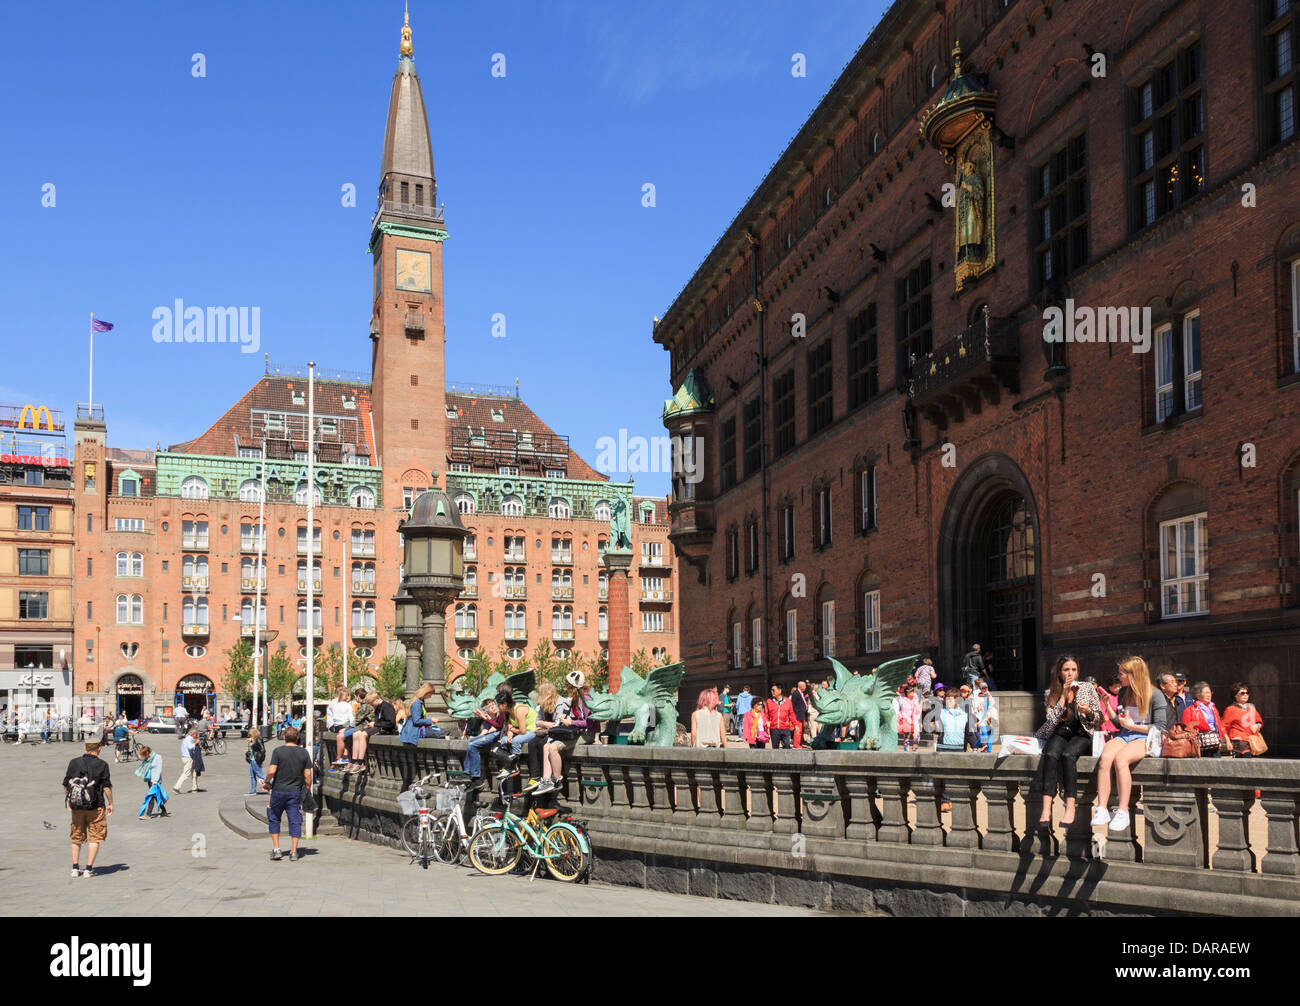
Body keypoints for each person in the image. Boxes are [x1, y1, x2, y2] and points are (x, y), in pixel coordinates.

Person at [1092, 658, 1172, 833]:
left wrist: (1131, 726)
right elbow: (1119, 723)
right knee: (1105, 757)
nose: (1119, 676)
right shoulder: (1124, 692)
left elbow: (1160, 727)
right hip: (1125, 734)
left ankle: (1123, 810)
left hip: (1146, 737)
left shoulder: (1155, 694)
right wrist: (1107, 706)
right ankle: (1102, 808)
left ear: (1133, 674)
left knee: (1121, 759)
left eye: (1122, 673)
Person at [1034, 656, 1101, 829]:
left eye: (1073, 669)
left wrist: (1089, 712)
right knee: (1050, 754)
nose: (1070, 673)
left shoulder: (1087, 688)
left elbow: (1099, 719)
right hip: (1061, 732)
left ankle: (1070, 806)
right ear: (1059, 672)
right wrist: (1063, 696)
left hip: (1081, 733)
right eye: (1066, 669)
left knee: (1068, 755)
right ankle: (1046, 808)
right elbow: (1051, 721)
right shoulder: (1051, 692)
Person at [63, 740, 113, 878]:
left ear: (85, 748)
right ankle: (88, 869)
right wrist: (111, 803)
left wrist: (68, 800)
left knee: (76, 836)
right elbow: (107, 787)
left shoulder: (74, 762)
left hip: (77, 806)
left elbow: (66, 784)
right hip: (95, 806)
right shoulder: (102, 764)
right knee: (95, 837)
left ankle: (75, 868)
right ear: (99, 749)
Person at [265, 726, 313, 862]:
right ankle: (293, 851)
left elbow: (272, 771)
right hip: (295, 792)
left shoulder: (278, 751)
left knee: (274, 817)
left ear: (284, 737)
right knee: (294, 820)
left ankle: (276, 849)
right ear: (297, 738)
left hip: (278, 790)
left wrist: (266, 782)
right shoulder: (303, 753)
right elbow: (308, 774)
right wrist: (307, 788)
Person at [464, 686, 510, 784]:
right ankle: (467, 772)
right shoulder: (495, 714)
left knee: (473, 744)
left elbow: (498, 727)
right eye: (489, 706)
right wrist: (476, 737)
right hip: (496, 734)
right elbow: (486, 730)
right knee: (471, 742)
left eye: (493, 704)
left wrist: (485, 718)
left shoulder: (501, 712)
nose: (493, 706)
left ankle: (475, 774)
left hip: (500, 735)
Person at [1180, 681, 1227, 757]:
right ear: (1198, 695)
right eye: (1206, 693)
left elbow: (1219, 724)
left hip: (1214, 742)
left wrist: (1226, 739)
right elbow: (1186, 728)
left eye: (1209, 692)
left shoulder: (1213, 708)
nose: (1209, 695)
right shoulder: (1190, 710)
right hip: (1200, 744)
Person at [1222, 683, 1264, 758]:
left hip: (1252, 740)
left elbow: (1259, 720)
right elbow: (1223, 726)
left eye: (1247, 693)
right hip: (1239, 741)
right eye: (1242, 693)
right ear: (1235, 695)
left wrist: (1257, 725)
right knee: (1246, 758)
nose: (1245, 695)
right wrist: (1228, 741)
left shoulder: (1251, 707)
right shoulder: (1230, 710)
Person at [343, 690, 377, 774]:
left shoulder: (365, 706)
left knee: (342, 735)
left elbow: (357, 719)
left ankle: (349, 758)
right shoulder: (362, 705)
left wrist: (346, 727)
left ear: (358, 696)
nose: (355, 698)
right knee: (352, 735)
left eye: (355, 696)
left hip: (363, 727)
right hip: (358, 728)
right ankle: (354, 760)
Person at [135, 745, 168, 819]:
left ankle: (148, 814)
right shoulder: (148, 758)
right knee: (156, 796)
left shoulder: (157, 757)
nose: (144, 756)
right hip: (150, 779)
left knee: (151, 796)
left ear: (147, 752)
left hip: (155, 781)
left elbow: (159, 769)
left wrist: (155, 781)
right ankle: (164, 811)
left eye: (144, 755)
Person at [971, 678, 998, 751]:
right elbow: (992, 703)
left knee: (987, 733)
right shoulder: (981, 693)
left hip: (985, 715)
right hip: (984, 715)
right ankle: (986, 748)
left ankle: (981, 747)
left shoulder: (980, 693)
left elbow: (991, 703)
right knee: (988, 733)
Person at [765, 684, 794, 749]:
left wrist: (795, 724)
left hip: (785, 728)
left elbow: (791, 714)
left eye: (773, 690)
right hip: (774, 728)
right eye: (771, 690)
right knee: (775, 748)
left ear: (779, 691)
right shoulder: (769, 701)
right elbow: (766, 714)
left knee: (787, 746)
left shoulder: (788, 701)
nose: (771, 692)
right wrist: (767, 722)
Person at [174, 727, 200, 793]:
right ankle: (176, 787)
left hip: (187, 757)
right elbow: (190, 747)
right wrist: (196, 743)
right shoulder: (189, 739)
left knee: (194, 772)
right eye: (196, 734)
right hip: (188, 758)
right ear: (193, 734)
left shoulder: (187, 739)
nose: (197, 735)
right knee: (186, 773)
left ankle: (195, 787)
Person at [895, 684, 922, 748]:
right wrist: (908, 720)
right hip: (907, 721)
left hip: (915, 720)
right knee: (907, 738)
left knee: (917, 738)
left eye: (913, 691)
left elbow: (918, 712)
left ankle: (914, 751)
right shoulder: (904, 700)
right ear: (907, 693)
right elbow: (903, 712)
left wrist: (917, 704)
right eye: (911, 691)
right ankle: (906, 752)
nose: (912, 693)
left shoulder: (915, 700)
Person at [246, 727, 267, 793]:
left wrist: (260, 758)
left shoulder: (258, 739)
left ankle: (273, 783)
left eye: (250, 733)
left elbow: (263, 749)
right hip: (252, 759)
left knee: (260, 774)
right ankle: (253, 790)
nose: (249, 734)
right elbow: (251, 749)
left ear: (253, 733)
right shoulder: (253, 739)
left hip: (256, 759)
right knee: (252, 775)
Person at [790, 680, 810, 748]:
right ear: (802, 686)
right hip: (798, 715)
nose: (805, 687)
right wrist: (795, 715)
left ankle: (800, 744)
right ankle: (796, 744)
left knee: (802, 731)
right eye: (804, 686)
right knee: (798, 731)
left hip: (802, 715)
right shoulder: (796, 693)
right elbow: (793, 705)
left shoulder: (801, 693)